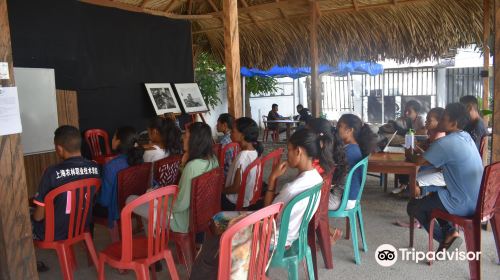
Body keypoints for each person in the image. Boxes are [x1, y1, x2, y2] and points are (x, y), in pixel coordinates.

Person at [190, 128, 330, 280]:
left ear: (299, 151)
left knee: (218, 223)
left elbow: (266, 212)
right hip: (290, 235)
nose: (286, 154)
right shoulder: (317, 178)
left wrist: (272, 179)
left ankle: (210, 269)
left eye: (289, 150)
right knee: (220, 220)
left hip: (271, 237)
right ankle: (215, 264)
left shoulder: (291, 189)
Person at [407, 103, 483, 252]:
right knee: (433, 195)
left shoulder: (445, 143)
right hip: (478, 200)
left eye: (444, 118)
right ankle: (450, 231)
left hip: (463, 203)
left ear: (453, 123)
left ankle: (446, 238)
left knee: (414, 206)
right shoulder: (465, 136)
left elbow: (417, 161)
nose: (440, 121)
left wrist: (409, 153)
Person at [128, 122, 219, 233]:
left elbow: (180, 205)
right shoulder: (213, 159)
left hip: (182, 220)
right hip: (201, 214)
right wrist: (183, 164)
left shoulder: (192, 166)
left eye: (186, 136)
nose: (183, 139)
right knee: (150, 201)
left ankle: (155, 244)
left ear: (194, 141)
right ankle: (155, 243)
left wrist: (159, 200)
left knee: (131, 200)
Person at [32, 126, 100, 271]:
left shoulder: (51, 173)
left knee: (23, 221)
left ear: (59, 148)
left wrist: (32, 219)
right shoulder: (95, 168)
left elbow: (39, 216)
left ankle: (29, 267)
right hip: (82, 226)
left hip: (54, 232)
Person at [94, 126, 144, 229]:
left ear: (118, 142)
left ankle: (86, 241)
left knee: (87, 207)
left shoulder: (110, 166)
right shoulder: (139, 160)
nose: (112, 140)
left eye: (113, 137)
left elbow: (104, 201)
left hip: (116, 210)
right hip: (136, 204)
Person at [221, 117, 263, 210]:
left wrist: (220, 191)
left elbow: (235, 188)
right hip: (248, 199)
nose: (231, 133)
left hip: (235, 202)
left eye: (233, 131)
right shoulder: (255, 151)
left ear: (243, 135)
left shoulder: (242, 157)